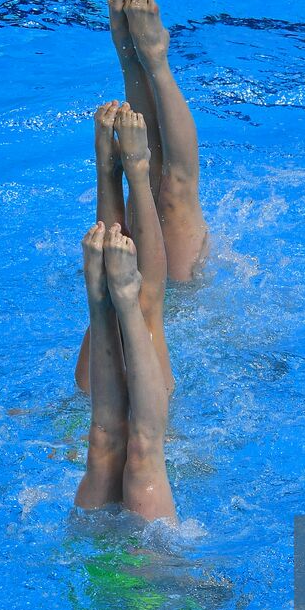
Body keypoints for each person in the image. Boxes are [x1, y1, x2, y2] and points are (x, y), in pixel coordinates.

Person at [76, 0, 206, 393]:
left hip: (108, 386)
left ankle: (131, 59)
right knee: (172, 195)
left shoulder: (92, 402)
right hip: (188, 301)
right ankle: (155, 59)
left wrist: (108, 168)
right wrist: (129, 168)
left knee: (110, 283)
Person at [74, 109, 178, 522]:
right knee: (142, 454)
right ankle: (136, 170)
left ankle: (103, 294)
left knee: (103, 446)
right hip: (147, 554)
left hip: (93, 543)